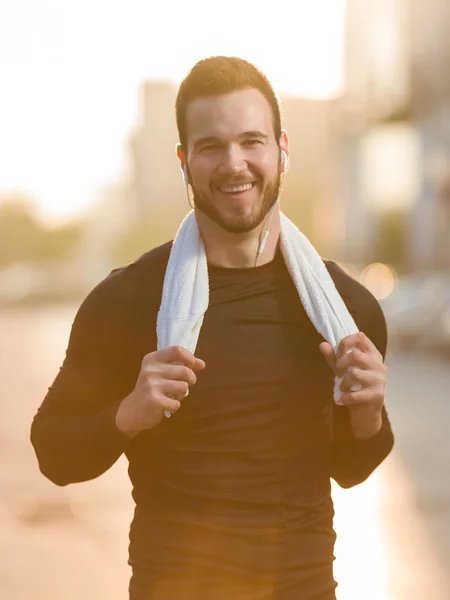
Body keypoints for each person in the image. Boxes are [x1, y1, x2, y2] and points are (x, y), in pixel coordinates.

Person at [31, 56, 394, 600]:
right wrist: (128, 414)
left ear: (282, 149)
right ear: (183, 159)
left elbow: (350, 468)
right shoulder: (127, 300)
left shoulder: (346, 310)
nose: (234, 163)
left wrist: (366, 414)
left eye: (252, 141)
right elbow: (53, 453)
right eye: (210, 146)